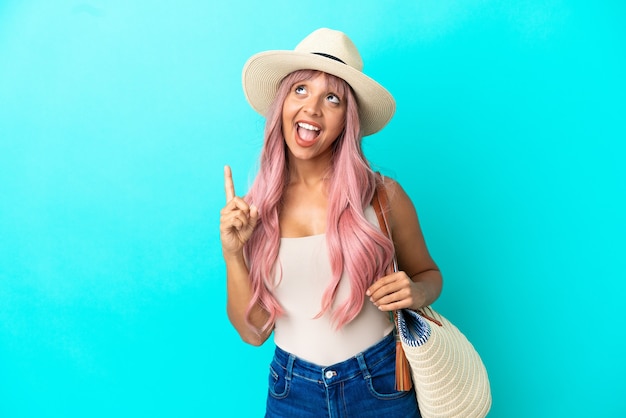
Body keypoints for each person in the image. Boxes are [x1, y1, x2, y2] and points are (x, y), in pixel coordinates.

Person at [220, 28, 442, 417]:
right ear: (282, 103)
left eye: (332, 98)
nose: (312, 109)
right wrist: (233, 254)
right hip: (293, 393)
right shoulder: (255, 210)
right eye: (300, 90)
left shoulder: (383, 195)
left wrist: (416, 293)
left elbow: (428, 274)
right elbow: (253, 333)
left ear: (347, 120)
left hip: (381, 384)